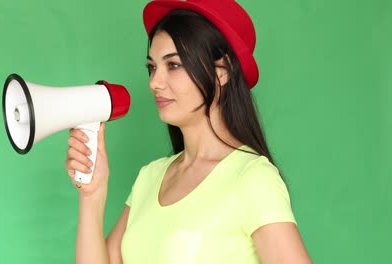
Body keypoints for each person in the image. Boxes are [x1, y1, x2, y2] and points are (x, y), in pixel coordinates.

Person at [65, 0, 312, 263]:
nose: (154, 83)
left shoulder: (253, 179)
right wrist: (92, 195)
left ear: (222, 72)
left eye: (173, 65)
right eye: (152, 68)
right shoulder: (150, 177)